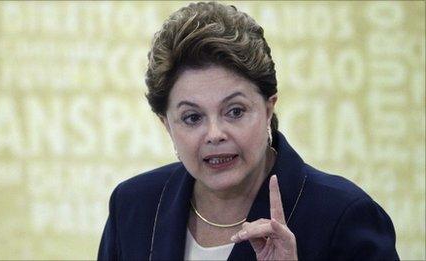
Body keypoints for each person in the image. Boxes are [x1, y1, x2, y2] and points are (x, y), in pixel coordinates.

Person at [98, 2, 399, 260]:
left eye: (235, 111)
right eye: (192, 117)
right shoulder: (134, 206)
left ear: (268, 109)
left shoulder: (344, 216)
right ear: (167, 125)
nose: (215, 134)